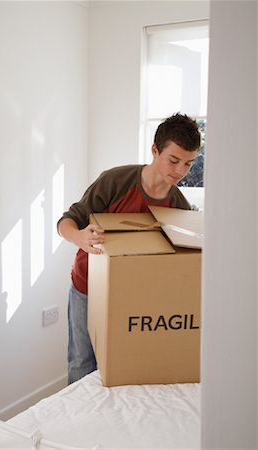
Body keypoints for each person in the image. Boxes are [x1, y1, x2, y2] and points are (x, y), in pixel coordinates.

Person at [57, 113, 201, 384]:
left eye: (188, 164)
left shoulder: (180, 207)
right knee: (81, 365)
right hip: (87, 288)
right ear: (155, 150)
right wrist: (80, 237)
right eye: (174, 160)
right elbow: (66, 221)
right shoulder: (116, 182)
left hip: (134, 300)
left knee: (125, 371)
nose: (180, 171)